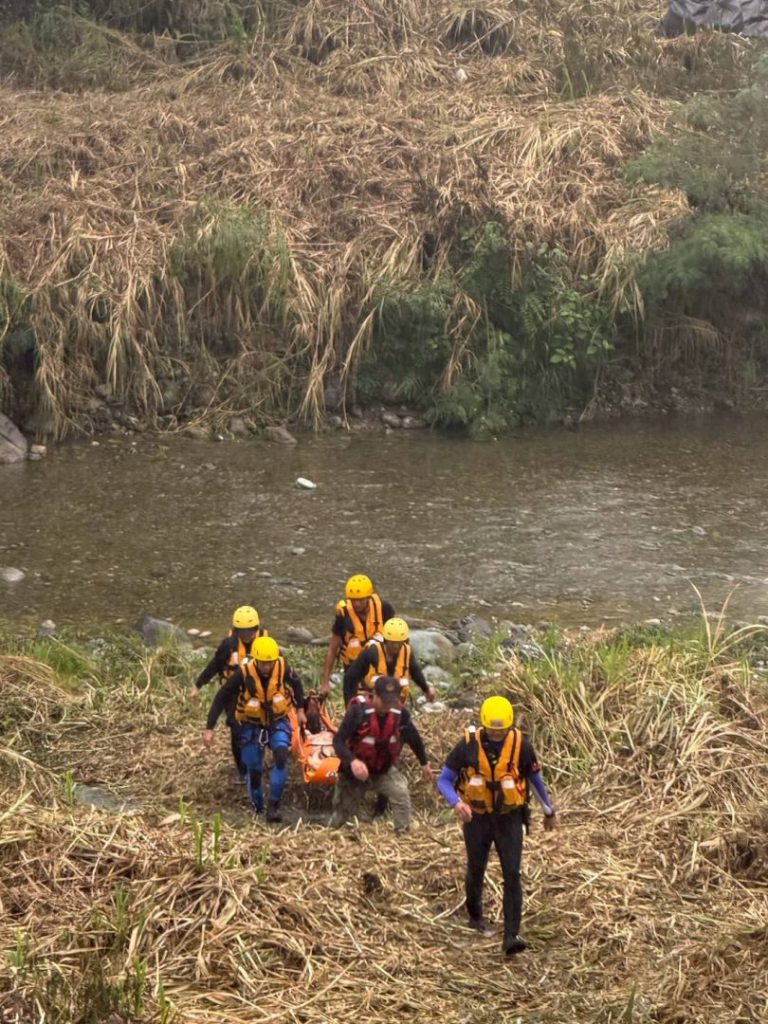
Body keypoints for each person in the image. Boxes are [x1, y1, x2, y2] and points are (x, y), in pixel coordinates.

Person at [437, 695, 556, 956]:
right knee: (476, 867)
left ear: (509, 727)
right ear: (483, 725)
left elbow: (534, 779)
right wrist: (457, 803)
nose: (496, 734)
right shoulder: (467, 745)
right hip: (476, 818)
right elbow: (444, 780)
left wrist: (548, 810)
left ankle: (511, 935)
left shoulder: (521, 746)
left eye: (501, 730)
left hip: (509, 818)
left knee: (512, 873)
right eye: (492, 729)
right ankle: (476, 915)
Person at [203, 636, 305, 822]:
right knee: (254, 769)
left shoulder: (283, 668)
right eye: (263, 664)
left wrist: (300, 709)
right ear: (256, 660)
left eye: (270, 663)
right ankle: (258, 807)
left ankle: (274, 805)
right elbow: (222, 696)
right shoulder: (243, 673)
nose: (267, 667)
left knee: (281, 755)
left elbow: (297, 685)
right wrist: (210, 727)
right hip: (250, 723)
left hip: (277, 719)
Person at [330, 675, 433, 833]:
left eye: (392, 700)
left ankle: (403, 833)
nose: (387, 705)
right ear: (374, 695)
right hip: (354, 773)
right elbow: (338, 741)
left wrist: (424, 763)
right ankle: (333, 833)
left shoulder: (400, 713)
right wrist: (352, 762)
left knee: (401, 793)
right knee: (341, 815)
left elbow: (413, 737)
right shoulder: (358, 711)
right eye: (384, 700)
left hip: (382, 770)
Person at [189, 605, 269, 773]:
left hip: (257, 692)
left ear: (256, 629)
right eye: (242, 632)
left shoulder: (265, 645)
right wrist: (198, 685)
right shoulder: (228, 645)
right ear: (236, 631)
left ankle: (258, 759)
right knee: (236, 729)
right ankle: (242, 769)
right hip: (232, 692)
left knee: (261, 726)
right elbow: (214, 666)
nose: (246, 636)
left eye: (250, 631)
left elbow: (280, 668)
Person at [320, 574, 395, 695]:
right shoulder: (343, 615)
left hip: (379, 669)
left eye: (360, 600)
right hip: (353, 670)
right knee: (353, 709)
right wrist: (325, 682)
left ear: (369, 597)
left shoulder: (383, 609)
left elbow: (395, 642)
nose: (357, 604)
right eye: (353, 600)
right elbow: (332, 649)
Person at [342, 617, 437, 706]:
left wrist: (426, 689)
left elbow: (415, 672)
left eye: (399, 643)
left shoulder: (407, 652)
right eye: (392, 643)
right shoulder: (371, 652)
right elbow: (350, 678)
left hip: (395, 705)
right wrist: (350, 705)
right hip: (372, 704)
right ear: (385, 641)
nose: (396, 646)